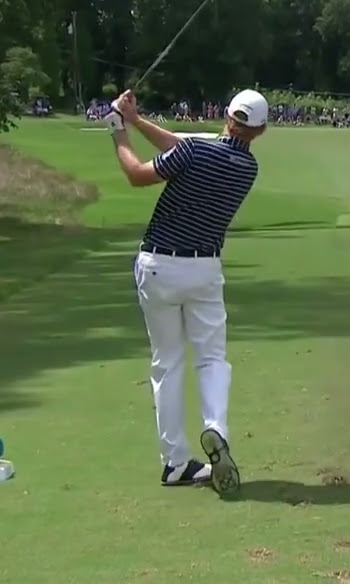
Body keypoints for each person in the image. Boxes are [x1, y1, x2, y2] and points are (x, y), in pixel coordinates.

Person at [104, 88, 268, 496]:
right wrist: (137, 120)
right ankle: (215, 428)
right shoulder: (246, 166)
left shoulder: (195, 154)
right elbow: (182, 146)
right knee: (211, 357)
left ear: (226, 115)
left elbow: (137, 174)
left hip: (159, 265)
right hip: (205, 270)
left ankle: (176, 463)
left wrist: (118, 132)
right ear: (260, 130)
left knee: (168, 362)